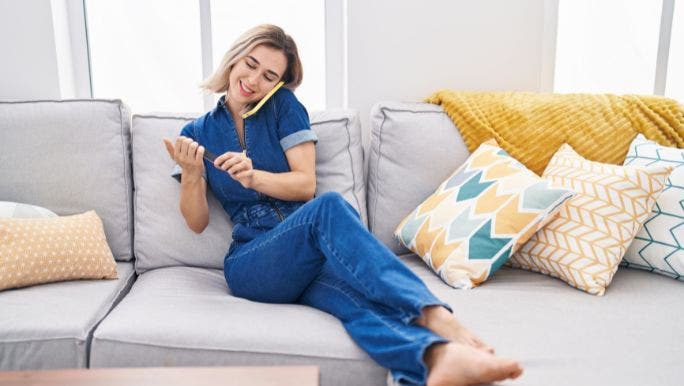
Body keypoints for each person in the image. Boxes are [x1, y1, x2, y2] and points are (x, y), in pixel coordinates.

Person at [163, 24, 523, 386]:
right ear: (234, 59)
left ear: (278, 84)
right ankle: (431, 311)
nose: (254, 79)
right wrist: (192, 174)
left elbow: (304, 185)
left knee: (356, 302)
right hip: (252, 262)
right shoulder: (196, 132)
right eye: (250, 64)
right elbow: (196, 223)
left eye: (269, 75)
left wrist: (255, 176)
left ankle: (435, 357)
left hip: (307, 251)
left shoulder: (283, 108)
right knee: (331, 207)